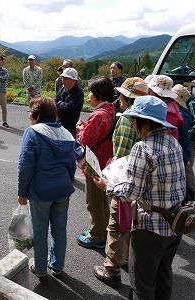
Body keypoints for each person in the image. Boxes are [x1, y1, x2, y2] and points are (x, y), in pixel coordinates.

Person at [93, 95, 186, 300]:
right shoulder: (173, 142)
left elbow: (131, 193)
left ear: (143, 122)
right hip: (174, 224)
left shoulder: (142, 148)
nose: (133, 124)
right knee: (163, 277)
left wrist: (107, 186)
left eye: (134, 119)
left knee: (142, 285)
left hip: (149, 229)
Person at [93, 77, 148, 288]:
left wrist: (110, 180)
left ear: (127, 97)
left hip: (124, 182)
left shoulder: (126, 119)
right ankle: (125, 259)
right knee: (130, 223)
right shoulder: (147, 118)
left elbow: (123, 156)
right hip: (141, 183)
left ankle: (111, 270)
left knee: (116, 225)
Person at [17, 96, 76, 278]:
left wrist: (22, 193)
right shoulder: (66, 133)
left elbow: (25, 165)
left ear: (36, 114)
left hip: (41, 191)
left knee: (40, 231)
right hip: (63, 189)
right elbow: (71, 165)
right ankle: (57, 265)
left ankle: (40, 268)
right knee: (59, 229)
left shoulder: (33, 132)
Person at [76, 77, 115, 249]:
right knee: (102, 200)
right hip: (105, 160)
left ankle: (96, 235)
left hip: (94, 162)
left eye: (91, 92)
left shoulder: (98, 115)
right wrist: (87, 127)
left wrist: (80, 129)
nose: (89, 96)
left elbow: (86, 140)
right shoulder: (110, 109)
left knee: (93, 202)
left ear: (99, 95)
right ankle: (103, 230)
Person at [147, 75, 183, 140]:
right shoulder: (169, 108)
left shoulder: (167, 114)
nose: (148, 93)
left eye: (150, 91)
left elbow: (161, 139)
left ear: (157, 94)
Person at [54, 67, 84, 137]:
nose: (63, 80)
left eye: (65, 78)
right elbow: (55, 101)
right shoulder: (63, 89)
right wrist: (61, 104)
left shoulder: (79, 93)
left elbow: (69, 107)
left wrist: (59, 103)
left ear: (73, 80)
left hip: (70, 128)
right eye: (62, 78)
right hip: (58, 124)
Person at [171, 84, 193, 166]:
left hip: (178, 153)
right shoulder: (185, 113)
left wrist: (185, 158)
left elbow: (184, 138)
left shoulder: (180, 115)